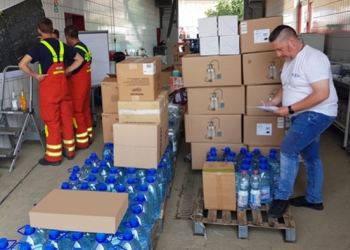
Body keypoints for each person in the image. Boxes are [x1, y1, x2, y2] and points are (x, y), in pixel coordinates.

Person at [265, 25, 338, 218]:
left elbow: (322, 93)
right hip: (302, 114)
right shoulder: (289, 61)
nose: (278, 54)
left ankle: (281, 199)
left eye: (280, 49)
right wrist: (273, 102)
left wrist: (288, 109)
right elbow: (287, 86)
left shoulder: (314, 59)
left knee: (288, 149)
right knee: (311, 156)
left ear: (291, 41)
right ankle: (314, 199)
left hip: (317, 113)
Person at [19, 18, 84, 166]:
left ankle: (54, 157)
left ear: (39, 31)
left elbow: (22, 64)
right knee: (67, 118)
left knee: (52, 121)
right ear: (52, 29)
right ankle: (70, 151)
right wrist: (66, 71)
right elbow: (79, 59)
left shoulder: (38, 47)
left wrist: (36, 76)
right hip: (64, 88)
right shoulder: (62, 45)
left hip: (50, 90)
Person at [64, 25, 93, 148]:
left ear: (68, 37)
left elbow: (73, 68)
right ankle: (89, 136)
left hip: (77, 85)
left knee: (77, 112)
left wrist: (66, 70)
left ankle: (82, 142)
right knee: (85, 111)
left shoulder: (76, 50)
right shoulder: (85, 48)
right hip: (86, 83)